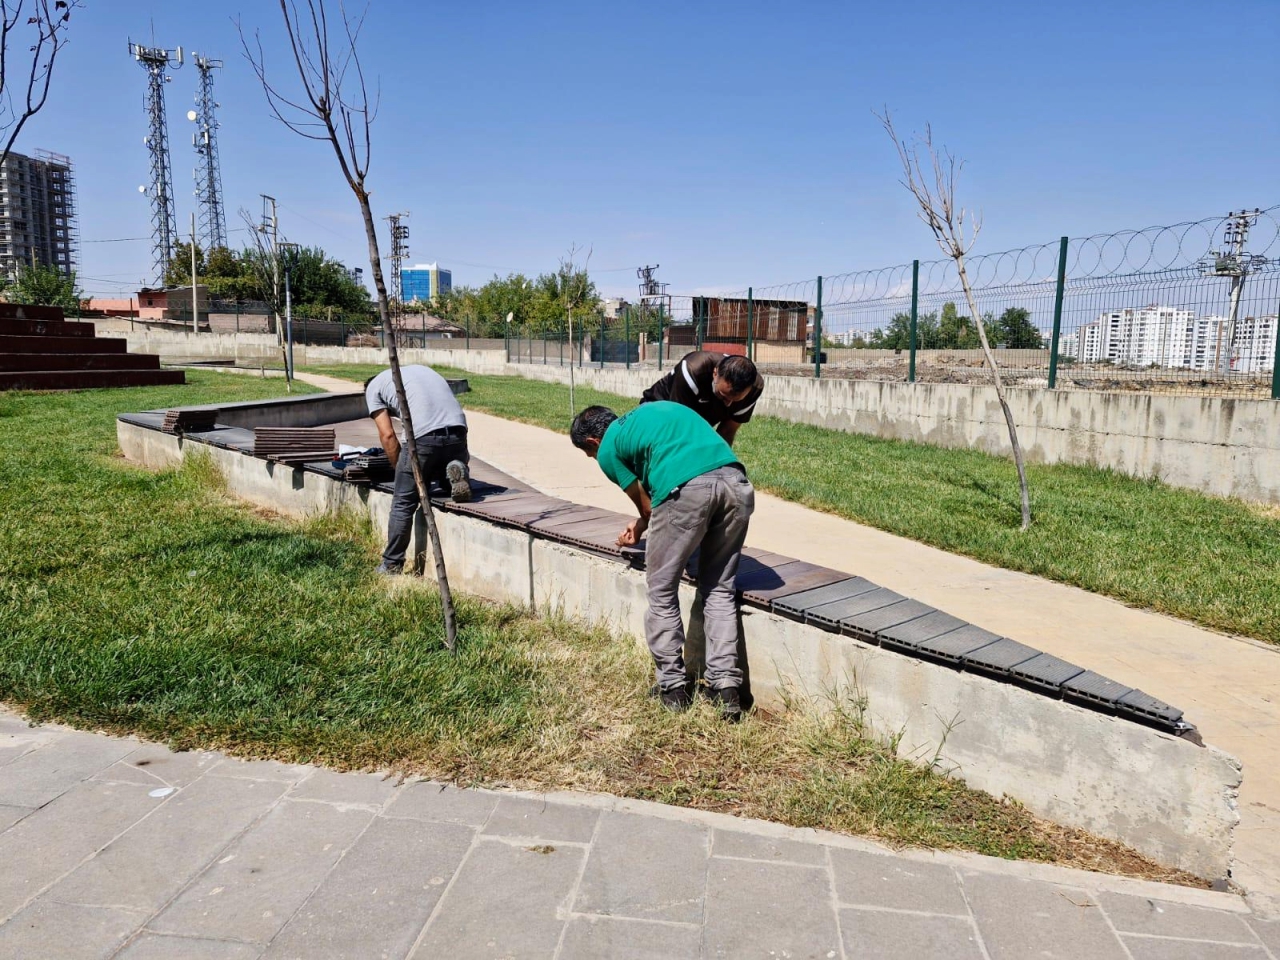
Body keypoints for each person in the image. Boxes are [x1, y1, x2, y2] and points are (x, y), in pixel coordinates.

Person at [570, 401, 755, 720]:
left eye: (588, 455)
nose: (594, 459)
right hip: (736, 485)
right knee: (719, 589)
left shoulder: (608, 447)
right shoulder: (654, 412)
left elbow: (650, 508)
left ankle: (673, 688)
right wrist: (643, 524)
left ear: (592, 442)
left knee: (662, 590)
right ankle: (726, 688)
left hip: (686, 491)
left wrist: (640, 526)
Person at [365, 364, 471, 575]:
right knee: (442, 480)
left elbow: (387, 435)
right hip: (458, 432)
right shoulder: (420, 371)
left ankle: (391, 564)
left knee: (403, 501)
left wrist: (401, 470)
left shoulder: (372, 388)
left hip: (423, 437)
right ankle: (456, 470)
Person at [639, 350, 764, 446]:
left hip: (695, 421)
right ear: (715, 373)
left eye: (736, 400)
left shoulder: (755, 388)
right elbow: (677, 427)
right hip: (657, 410)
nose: (728, 404)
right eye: (723, 395)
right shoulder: (692, 370)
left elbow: (727, 431)